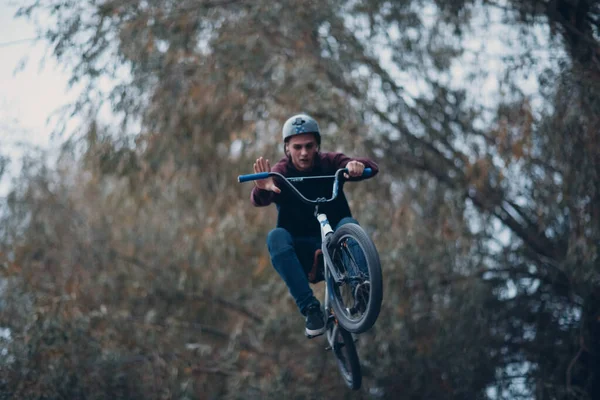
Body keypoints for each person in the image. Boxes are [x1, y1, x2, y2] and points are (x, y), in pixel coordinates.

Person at [249, 113, 379, 338]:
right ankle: (311, 310)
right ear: (287, 148)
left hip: (339, 244)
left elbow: (368, 167)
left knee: (349, 223)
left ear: (317, 145)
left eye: (309, 146)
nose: (304, 153)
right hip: (303, 254)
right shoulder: (281, 173)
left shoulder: (330, 162)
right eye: (297, 147)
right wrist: (264, 187)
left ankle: (363, 287)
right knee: (275, 237)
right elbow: (259, 200)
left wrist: (356, 166)